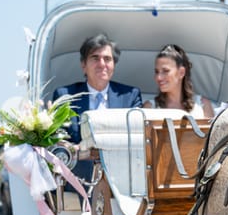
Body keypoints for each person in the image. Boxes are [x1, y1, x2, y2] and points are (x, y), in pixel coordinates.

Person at [52, 33, 143, 185]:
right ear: (83, 65)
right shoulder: (65, 97)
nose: (102, 64)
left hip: (121, 183)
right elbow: (59, 143)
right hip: (77, 184)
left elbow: (136, 140)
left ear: (114, 64)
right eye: (95, 58)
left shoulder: (130, 96)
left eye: (107, 59)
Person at [142, 44, 214, 118]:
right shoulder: (149, 108)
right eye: (157, 72)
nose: (158, 77)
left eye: (165, 71)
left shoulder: (203, 106)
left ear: (181, 72)